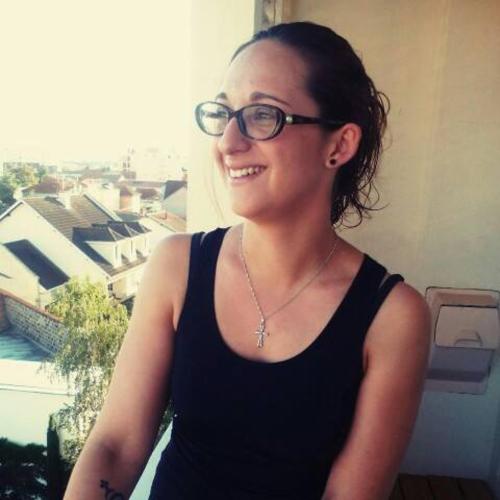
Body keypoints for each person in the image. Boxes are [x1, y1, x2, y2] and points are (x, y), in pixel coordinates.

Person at [63, 21, 431, 500]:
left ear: (339, 145)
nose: (227, 142)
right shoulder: (177, 267)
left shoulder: (392, 317)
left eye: (262, 115)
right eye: (224, 114)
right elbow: (115, 445)